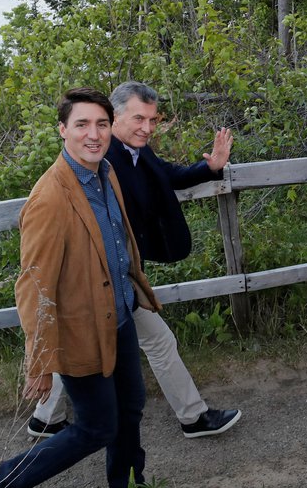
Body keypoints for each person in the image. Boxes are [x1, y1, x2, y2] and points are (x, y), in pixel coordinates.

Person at [0, 88, 183, 488]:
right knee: (95, 426)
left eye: (102, 124)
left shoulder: (104, 172)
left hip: (119, 316)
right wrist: (41, 359)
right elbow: (34, 286)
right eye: (83, 125)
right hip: (78, 331)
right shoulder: (50, 198)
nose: (94, 134)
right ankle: (3, 483)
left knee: (130, 408)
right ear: (63, 130)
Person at [28, 81, 241, 440]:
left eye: (153, 120)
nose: (147, 128)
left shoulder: (132, 151)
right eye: (139, 119)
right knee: (144, 344)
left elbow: (166, 176)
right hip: (102, 280)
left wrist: (210, 167)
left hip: (118, 275)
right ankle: (191, 418)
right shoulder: (103, 159)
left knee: (102, 341)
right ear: (115, 118)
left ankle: (45, 419)